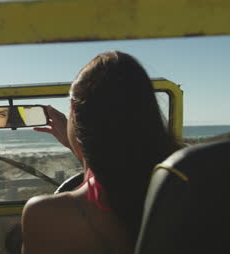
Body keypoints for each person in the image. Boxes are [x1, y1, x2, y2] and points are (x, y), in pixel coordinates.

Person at [20, 51, 181, 254]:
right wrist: (77, 146)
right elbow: (119, 167)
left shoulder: (45, 215)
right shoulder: (186, 193)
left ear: (73, 111)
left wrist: (77, 142)